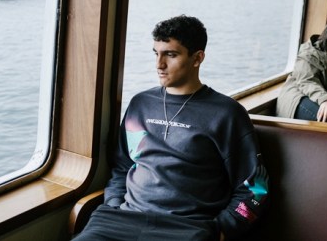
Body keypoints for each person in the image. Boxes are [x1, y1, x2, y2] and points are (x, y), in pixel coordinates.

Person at [74, 15, 268, 241]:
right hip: (121, 219)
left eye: (171, 55)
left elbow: (257, 189)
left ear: (197, 58)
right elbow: (122, 166)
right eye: (156, 53)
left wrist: (222, 230)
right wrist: (115, 203)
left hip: (186, 228)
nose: (159, 65)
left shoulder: (226, 114)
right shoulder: (140, 105)